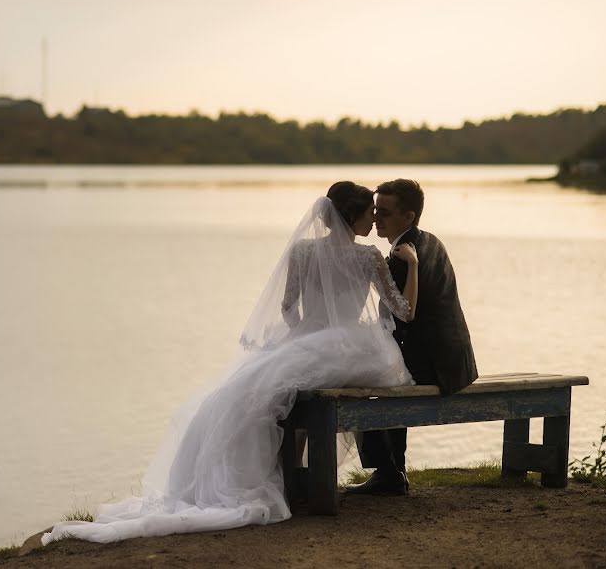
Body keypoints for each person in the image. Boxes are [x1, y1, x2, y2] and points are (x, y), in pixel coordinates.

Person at [42, 182, 419, 545]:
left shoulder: (302, 252)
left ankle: (285, 479)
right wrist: (413, 266)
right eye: (370, 212)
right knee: (299, 396)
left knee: (265, 394)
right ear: (351, 216)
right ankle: (301, 480)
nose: (374, 219)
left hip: (308, 342)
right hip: (356, 347)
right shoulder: (368, 256)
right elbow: (404, 312)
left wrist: (307, 334)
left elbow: (289, 308)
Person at [346, 179, 478, 496]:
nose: (376, 217)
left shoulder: (402, 259)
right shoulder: (428, 241)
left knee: (364, 380)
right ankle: (393, 469)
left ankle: (388, 472)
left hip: (436, 364)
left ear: (408, 216)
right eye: (375, 210)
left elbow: (404, 319)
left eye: (385, 212)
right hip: (455, 357)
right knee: (385, 368)